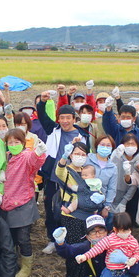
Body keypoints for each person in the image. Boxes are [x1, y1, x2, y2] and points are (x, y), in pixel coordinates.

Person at [54, 215, 139, 277]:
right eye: (93, 232)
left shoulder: (121, 244)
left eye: (101, 231)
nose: (98, 235)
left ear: (108, 232)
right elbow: (69, 252)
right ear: (87, 236)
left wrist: (127, 261)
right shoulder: (87, 246)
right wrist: (60, 242)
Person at [37, 93, 88, 254]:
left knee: (69, 209)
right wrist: (42, 103)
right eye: (62, 118)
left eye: (68, 118)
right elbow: (42, 116)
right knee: (51, 208)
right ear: (58, 119)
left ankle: (69, 239)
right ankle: (53, 239)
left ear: (74, 118)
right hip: (53, 177)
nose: (65, 121)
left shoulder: (82, 136)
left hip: (71, 180)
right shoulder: (53, 130)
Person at [0, 129, 47, 277]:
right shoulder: (5, 157)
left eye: (16, 142)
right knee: (9, 237)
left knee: (23, 237)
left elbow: (35, 160)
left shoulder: (25, 156)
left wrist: (38, 153)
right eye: (10, 142)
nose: (13, 145)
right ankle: (11, 262)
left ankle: (26, 266)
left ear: (23, 143)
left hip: (22, 202)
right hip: (5, 202)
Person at [55, 142, 96, 245]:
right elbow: (59, 171)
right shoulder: (67, 171)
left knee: (86, 244)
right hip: (71, 215)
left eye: (83, 155)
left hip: (87, 213)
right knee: (74, 245)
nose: (80, 157)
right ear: (71, 155)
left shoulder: (86, 171)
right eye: (77, 154)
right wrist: (64, 156)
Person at [85, 135, 118, 229]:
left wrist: (106, 207)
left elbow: (112, 189)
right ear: (97, 145)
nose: (105, 147)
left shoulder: (113, 167)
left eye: (108, 145)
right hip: (84, 200)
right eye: (102, 144)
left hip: (101, 204)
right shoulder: (88, 159)